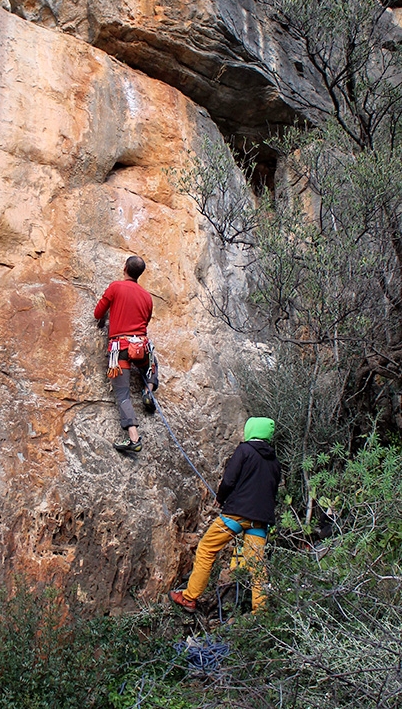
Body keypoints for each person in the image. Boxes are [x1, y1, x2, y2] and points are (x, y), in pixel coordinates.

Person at [169, 417, 281, 613]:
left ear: (251, 430)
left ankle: (189, 597)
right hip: (260, 521)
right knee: (257, 564)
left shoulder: (244, 450)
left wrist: (220, 498)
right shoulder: (274, 462)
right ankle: (261, 612)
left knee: (206, 548)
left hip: (236, 514)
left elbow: (229, 480)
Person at [94, 255, 158, 454]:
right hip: (140, 347)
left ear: (124, 268)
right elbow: (145, 322)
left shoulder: (115, 287)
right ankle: (148, 390)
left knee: (122, 394)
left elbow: (98, 313)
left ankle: (134, 438)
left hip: (119, 349)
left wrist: (107, 317)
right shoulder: (147, 297)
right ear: (140, 274)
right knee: (152, 363)